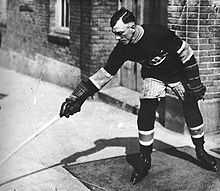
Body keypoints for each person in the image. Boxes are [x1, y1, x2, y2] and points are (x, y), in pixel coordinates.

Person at [59, 7, 217, 184]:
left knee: (191, 106)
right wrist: (76, 99)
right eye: (114, 34)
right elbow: (104, 74)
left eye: (120, 33)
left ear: (132, 27)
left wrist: (194, 83)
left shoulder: (157, 33)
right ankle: (145, 160)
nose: (118, 38)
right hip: (153, 76)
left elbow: (186, 53)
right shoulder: (123, 48)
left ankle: (201, 151)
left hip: (177, 73)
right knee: (146, 111)